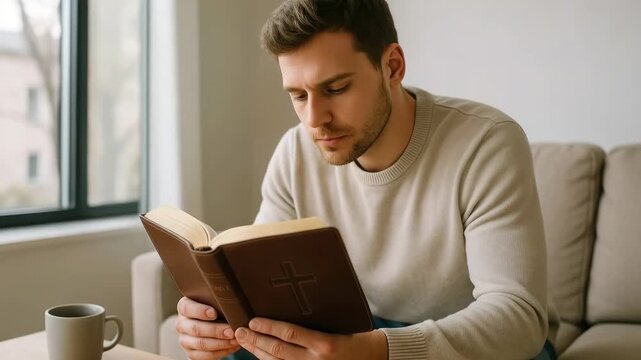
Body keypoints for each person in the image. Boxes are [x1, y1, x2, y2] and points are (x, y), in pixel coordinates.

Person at [175, 0, 559, 359]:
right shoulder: (295, 152)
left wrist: (377, 350)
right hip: (353, 334)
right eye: (298, 95)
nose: (314, 119)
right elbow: (261, 286)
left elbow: (519, 318)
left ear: (392, 66)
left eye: (335, 89)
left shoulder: (486, 143)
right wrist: (215, 321)